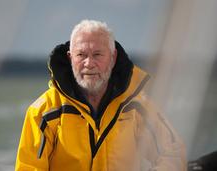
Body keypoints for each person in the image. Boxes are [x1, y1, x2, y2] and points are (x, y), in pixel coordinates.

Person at [15, 19, 186, 171]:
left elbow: (173, 151)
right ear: (70, 58)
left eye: (97, 54)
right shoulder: (44, 112)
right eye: (81, 55)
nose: (89, 63)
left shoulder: (136, 105)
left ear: (112, 57)